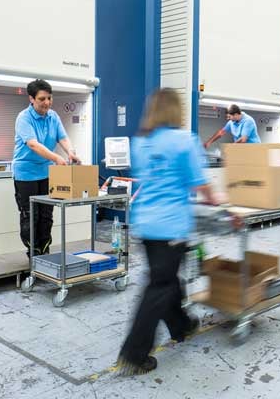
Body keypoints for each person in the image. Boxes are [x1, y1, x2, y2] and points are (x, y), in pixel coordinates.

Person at [117, 88, 217, 375]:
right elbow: (200, 184)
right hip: (170, 226)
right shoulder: (184, 141)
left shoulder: (140, 142)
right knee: (159, 287)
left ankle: (181, 325)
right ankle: (134, 354)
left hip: (145, 224)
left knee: (168, 279)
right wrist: (219, 202)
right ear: (175, 110)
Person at [13, 79, 81, 257]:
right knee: (30, 216)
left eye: (49, 98)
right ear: (31, 99)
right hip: (26, 174)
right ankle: (33, 254)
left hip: (46, 172)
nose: (47, 103)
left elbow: (63, 137)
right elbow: (33, 145)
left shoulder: (53, 116)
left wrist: (70, 152)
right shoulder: (24, 118)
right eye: (42, 99)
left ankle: (45, 251)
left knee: (46, 215)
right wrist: (57, 157)